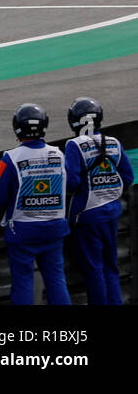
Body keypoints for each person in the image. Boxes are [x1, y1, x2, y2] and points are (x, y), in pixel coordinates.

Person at [0, 104, 71, 305]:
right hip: (54, 229)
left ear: (17, 128)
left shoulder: (10, 158)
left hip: (23, 232)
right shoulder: (59, 155)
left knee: (23, 283)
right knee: (56, 281)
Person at [63, 98, 133, 305]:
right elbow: (128, 177)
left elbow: (72, 182)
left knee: (94, 269)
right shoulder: (114, 142)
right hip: (111, 213)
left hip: (87, 216)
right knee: (111, 267)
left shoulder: (74, 145)